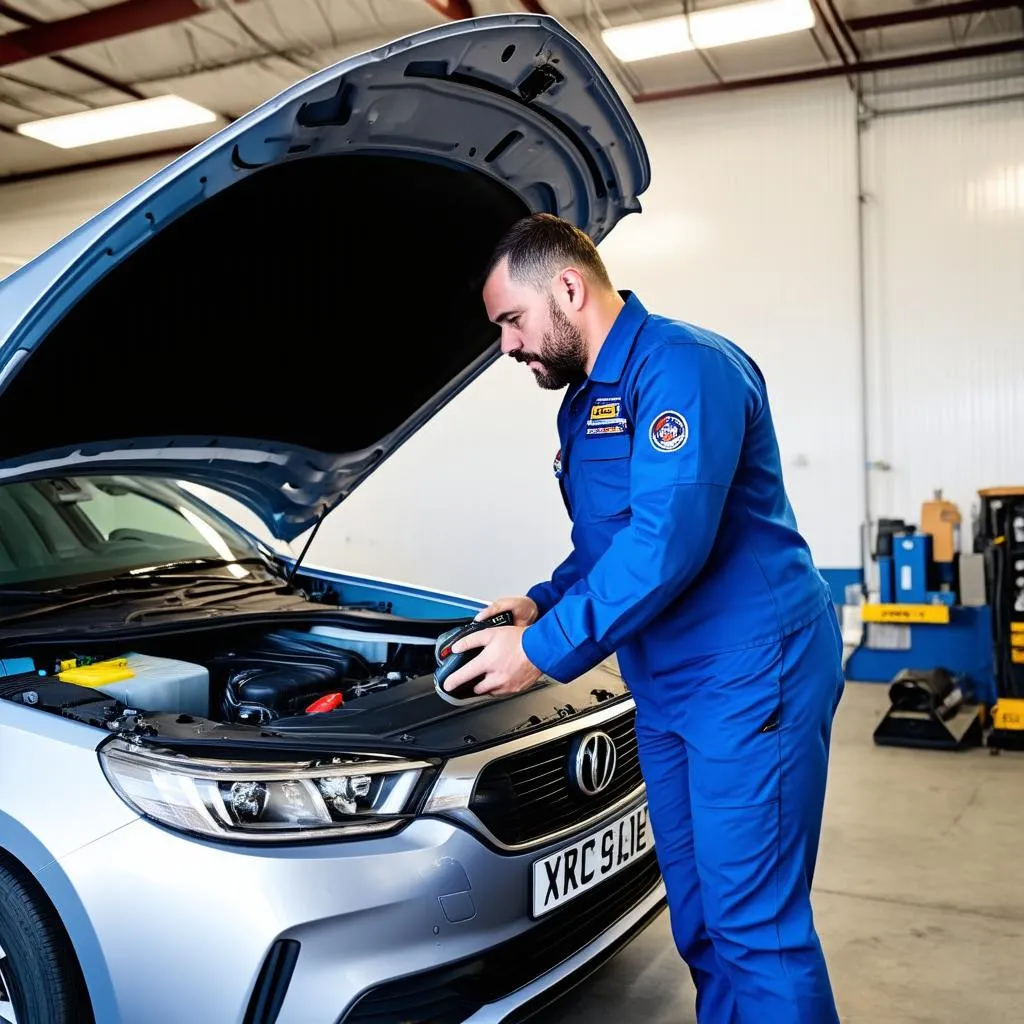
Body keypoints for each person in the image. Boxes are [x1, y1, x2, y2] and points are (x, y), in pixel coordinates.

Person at [442, 213, 845, 1023]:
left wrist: (541, 650)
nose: (508, 347)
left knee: (755, 929)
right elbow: (608, 547)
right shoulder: (584, 400)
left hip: (748, 672)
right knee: (698, 918)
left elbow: (667, 545)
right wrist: (540, 602)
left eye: (510, 321)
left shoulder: (685, 369)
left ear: (566, 287)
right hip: (664, 683)